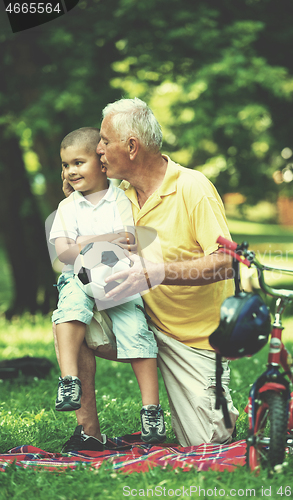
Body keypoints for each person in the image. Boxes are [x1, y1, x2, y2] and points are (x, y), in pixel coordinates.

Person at [58, 99, 239, 452]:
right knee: (70, 310)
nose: (98, 149)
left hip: (194, 338)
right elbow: (76, 240)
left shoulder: (193, 187)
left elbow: (227, 261)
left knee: (207, 442)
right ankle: (88, 431)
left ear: (130, 146)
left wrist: (157, 274)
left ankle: (214, 403)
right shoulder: (116, 194)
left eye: (105, 141)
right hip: (137, 315)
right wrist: (74, 196)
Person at [49, 126, 166, 445]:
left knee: (136, 331)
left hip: (118, 278)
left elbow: (130, 241)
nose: (71, 171)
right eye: (65, 165)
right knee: (69, 308)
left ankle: (151, 412)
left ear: (101, 163)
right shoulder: (67, 208)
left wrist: (86, 241)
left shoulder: (121, 198)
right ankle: (69, 380)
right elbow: (65, 254)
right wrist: (101, 240)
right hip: (78, 277)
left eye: (78, 162)